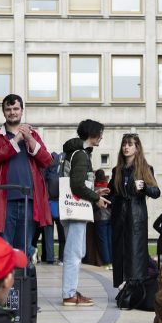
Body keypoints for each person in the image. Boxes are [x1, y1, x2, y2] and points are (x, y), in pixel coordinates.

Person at [0, 94, 52, 255]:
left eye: (15, 109)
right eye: (8, 109)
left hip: (29, 199)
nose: (12, 112)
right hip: (3, 199)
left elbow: (47, 160)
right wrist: (17, 139)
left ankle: (21, 280)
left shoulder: (32, 134)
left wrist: (28, 138)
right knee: (3, 248)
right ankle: (4, 281)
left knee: (24, 249)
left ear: (22, 110)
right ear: (3, 112)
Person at [61, 119, 108, 307]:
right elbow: (77, 185)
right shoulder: (81, 155)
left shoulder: (78, 152)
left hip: (73, 208)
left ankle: (71, 291)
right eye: (100, 133)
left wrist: (95, 193)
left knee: (77, 251)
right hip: (75, 210)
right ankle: (69, 294)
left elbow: (78, 184)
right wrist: (96, 198)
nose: (101, 137)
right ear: (92, 134)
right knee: (74, 252)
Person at [110, 133, 160, 288]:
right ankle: (121, 286)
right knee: (120, 253)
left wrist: (145, 187)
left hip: (136, 216)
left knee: (135, 254)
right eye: (124, 144)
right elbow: (111, 192)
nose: (126, 147)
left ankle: (136, 287)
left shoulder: (145, 168)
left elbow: (156, 192)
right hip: (119, 217)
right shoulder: (117, 170)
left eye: (130, 144)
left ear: (137, 148)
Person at [93, 169, 113, 268]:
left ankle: (107, 262)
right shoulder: (108, 187)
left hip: (99, 217)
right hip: (110, 216)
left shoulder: (95, 188)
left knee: (103, 240)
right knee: (109, 239)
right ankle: (112, 261)